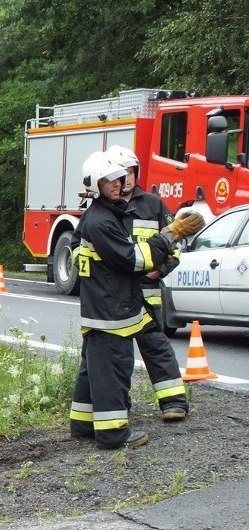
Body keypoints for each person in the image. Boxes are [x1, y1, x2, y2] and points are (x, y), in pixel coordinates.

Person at [68, 151, 202, 449]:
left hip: (118, 302)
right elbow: (134, 259)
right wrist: (170, 234)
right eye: (110, 180)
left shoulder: (113, 212)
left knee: (95, 367)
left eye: (120, 177)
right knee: (113, 369)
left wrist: (163, 259)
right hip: (112, 307)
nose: (118, 183)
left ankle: (83, 423)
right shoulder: (102, 220)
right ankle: (113, 433)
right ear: (94, 185)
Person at [105, 145, 190, 421]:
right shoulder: (104, 208)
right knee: (115, 354)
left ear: (136, 173)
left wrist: (159, 271)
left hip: (147, 294)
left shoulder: (153, 205)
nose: (126, 179)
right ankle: (119, 403)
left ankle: (173, 403)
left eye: (130, 172)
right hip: (116, 295)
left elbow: (174, 245)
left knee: (156, 347)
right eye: (120, 174)